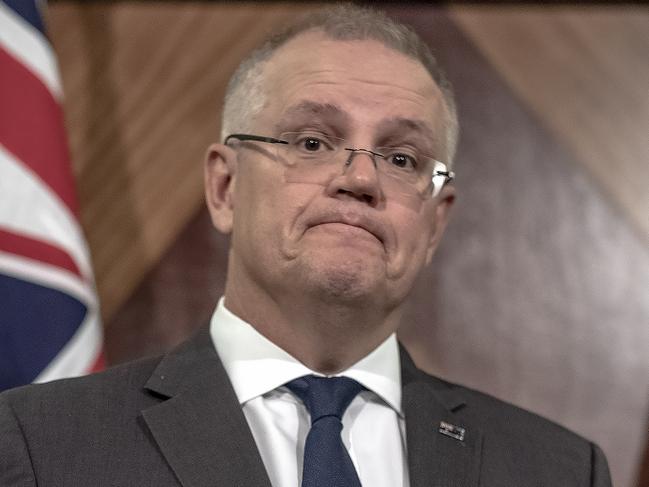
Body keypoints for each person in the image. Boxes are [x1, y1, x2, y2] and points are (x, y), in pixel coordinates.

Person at [0, 4, 612, 486]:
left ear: (435, 223)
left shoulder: (556, 469)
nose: (361, 178)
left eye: (401, 157)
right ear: (224, 187)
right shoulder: (40, 442)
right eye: (313, 142)